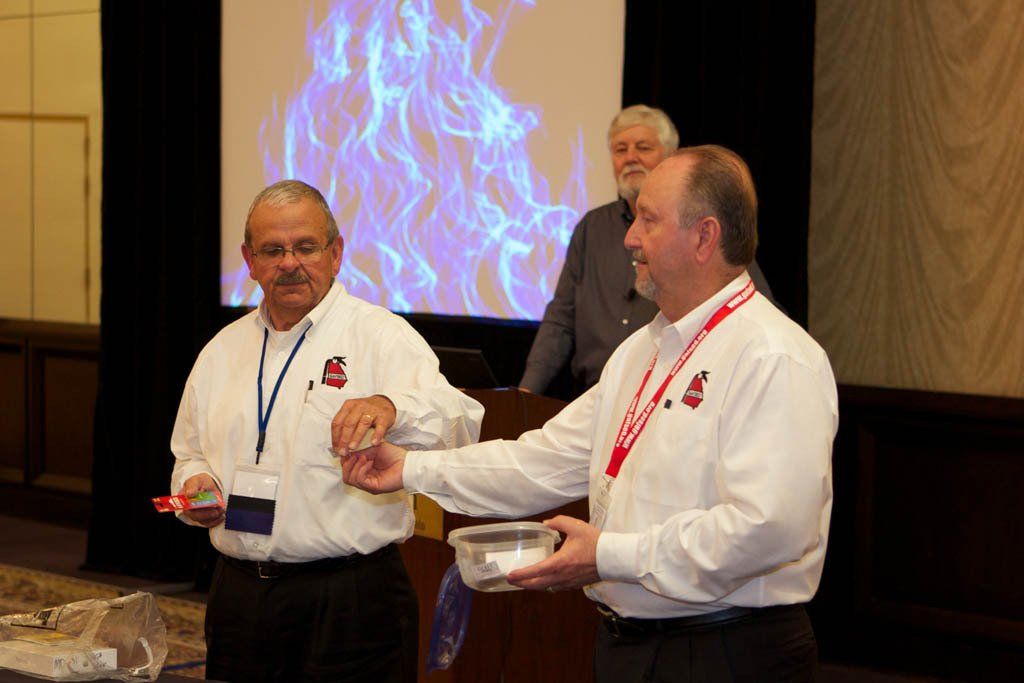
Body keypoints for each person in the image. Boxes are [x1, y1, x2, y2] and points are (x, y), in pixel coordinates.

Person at [343, 146, 837, 682]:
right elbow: (540, 462)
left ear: (704, 237)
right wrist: (409, 469)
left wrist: (611, 556)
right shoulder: (642, 351)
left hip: (729, 653)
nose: (628, 237)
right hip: (627, 647)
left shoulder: (774, 356)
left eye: (648, 220)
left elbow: (769, 529)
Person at [169, 180, 484, 682]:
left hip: (350, 599)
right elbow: (189, 453)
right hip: (239, 597)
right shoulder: (220, 352)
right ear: (249, 261)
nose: (289, 262)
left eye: (306, 247)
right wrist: (194, 485)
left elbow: (460, 421)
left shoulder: (380, 335)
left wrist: (391, 406)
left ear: (336, 253)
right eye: (273, 250)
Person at [520, 104, 776, 396]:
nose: (630, 158)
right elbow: (561, 318)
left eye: (643, 147)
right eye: (620, 149)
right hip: (593, 396)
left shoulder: (698, 230)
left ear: (670, 157)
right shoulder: (591, 228)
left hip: (669, 397)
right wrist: (526, 391)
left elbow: (751, 304)